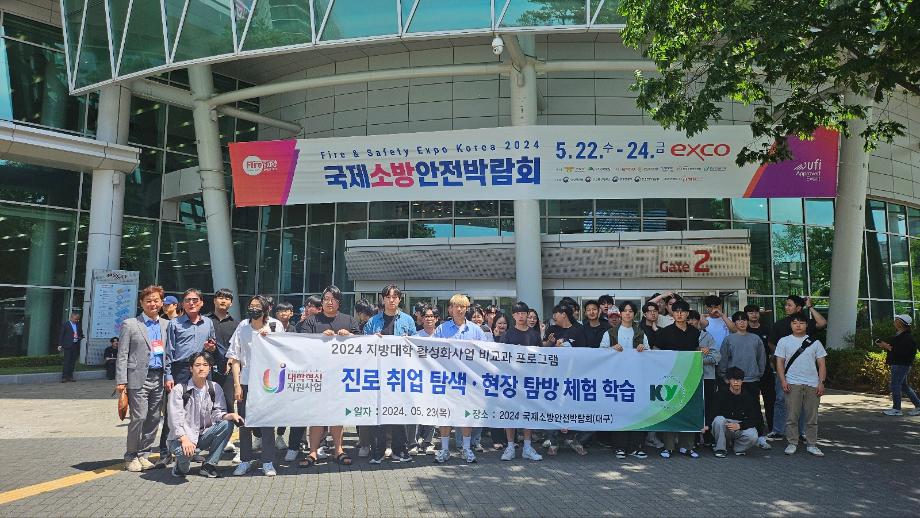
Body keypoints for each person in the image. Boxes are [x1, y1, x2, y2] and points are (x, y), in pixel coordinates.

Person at [298, 285, 359, 468]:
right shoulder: (311, 321)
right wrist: (319, 338)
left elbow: (363, 343)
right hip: (317, 376)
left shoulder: (349, 320)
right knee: (317, 415)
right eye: (326, 299)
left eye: (333, 299)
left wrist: (350, 335)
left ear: (339, 302)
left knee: (337, 414)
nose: (329, 302)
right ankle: (313, 451)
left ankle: (338, 450)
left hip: (341, 377)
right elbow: (301, 343)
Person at [158, 288, 217, 467]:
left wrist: (211, 348)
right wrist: (168, 375)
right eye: (188, 300)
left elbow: (212, 346)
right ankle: (165, 451)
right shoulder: (174, 324)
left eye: (195, 300)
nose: (191, 303)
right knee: (173, 410)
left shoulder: (208, 323)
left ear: (201, 303)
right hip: (181, 370)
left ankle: (193, 449)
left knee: (198, 410)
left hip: (202, 369)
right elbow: (168, 351)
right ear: (182, 304)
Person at [115, 285, 169, 472]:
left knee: (154, 418)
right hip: (138, 378)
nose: (153, 304)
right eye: (148, 301)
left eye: (156, 300)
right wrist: (121, 381)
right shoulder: (130, 324)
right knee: (139, 417)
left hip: (159, 377)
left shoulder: (166, 325)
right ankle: (130, 456)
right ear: (141, 303)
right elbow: (122, 354)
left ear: (161, 303)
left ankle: (143, 454)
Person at [227, 295, 282, 476]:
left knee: (267, 423)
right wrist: (237, 384)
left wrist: (271, 339)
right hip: (246, 381)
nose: (254, 309)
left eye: (258, 306)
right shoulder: (243, 326)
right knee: (244, 423)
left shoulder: (275, 325)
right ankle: (245, 460)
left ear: (266, 309)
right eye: (252, 306)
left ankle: (268, 461)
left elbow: (284, 352)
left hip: (268, 382)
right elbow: (235, 358)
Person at [167, 351, 243, 478]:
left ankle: (208, 465)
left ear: (210, 368)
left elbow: (218, 413)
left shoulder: (215, 387)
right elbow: (175, 421)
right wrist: (184, 440)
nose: (201, 368)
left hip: (203, 436)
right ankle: (181, 467)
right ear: (191, 368)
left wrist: (230, 416)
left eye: (205, 365)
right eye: (197, 365)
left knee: (227, 424)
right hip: (182, 439)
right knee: (183, 455)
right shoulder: (179, 390)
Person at [362, 285, 416, 464]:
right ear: (383, 299)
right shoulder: (373, 321)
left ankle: (400, 450)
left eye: (395, 297)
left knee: (399, 413)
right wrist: (372, 339)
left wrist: (409, 340)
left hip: (399, 374)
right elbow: (363, 344)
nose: (391, 300)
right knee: (379, 413)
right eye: (388, 297)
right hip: (378, 373)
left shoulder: (407, 320)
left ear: (399, 299)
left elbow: (417, 345)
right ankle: (377, 451)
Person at [433, 293, 490, 463]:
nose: (459, 309)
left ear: (466, 309)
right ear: (450, 309)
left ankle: (466, 449)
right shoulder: (441, 329)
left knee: (467, 414)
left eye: (463, 306)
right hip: (447, 380)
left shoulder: (475, 330)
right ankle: (444, 450)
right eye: (456, 306)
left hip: (468, 381)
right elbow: (432, 351)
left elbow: (486, 352)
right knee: (445, 415)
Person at [767, 295, 826, 441]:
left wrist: (810, 306)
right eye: (786, 305)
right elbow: (771, 343)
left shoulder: (807, 323)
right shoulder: (779, 325)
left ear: (799, 308)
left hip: (806, 374)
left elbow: (822, 323)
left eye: (789, 305)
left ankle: (801, 432)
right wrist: (780, 356)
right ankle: (778, 430)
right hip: (785, 371)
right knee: (781, 399)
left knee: (802, 403)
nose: (786, 307)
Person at [600, 301, 650, 459]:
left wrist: (643, 348)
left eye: (630, 311)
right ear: (620, 313)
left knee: (637, 412)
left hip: (637, 378)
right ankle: (619, 447)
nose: (627, 313)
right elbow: (600, 353)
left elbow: (650, 354)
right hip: (617, 378)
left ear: (634, 314)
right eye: (625, 311)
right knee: (619, 412)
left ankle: (635, 447)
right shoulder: (610, 333)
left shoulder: (640, 332)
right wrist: (611, 349)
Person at [496, 302, 543, 462]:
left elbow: (540, 357)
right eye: (518, 313)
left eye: (524, 313)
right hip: (511, 380)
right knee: (510, 413)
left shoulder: (534, 335)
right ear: (514, 316)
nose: (521, 316)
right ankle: (510, 446)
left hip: (529, 380)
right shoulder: (507, 335)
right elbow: (502, 357)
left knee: (528, 412)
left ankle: (527, 447)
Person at [775, 312, 827, 456]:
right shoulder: (784, 341)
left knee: (812, 417)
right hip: (792, 383)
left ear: (806, 325)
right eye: (795, 323)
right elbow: (779, 362)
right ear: (790, 325)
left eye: (801, 323)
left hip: (812, 384)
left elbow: (822, 365)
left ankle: (812, 444)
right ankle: (792, 443)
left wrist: (821, 383)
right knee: (792, 416)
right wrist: (783, 380)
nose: (798, 325)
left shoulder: (815, 342)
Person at [655, 300, 702, 458]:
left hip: (690, 376)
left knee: (688, 410)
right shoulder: (665, 332)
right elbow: (655, 351)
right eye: (676, 311)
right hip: (670, 377)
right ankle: (668, 447)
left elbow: (697, 350)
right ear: (672, 314)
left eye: (683, 311)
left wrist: (702, 351)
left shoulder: (695, 332)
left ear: (688, 313)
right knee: (670, 410)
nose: (680, 314)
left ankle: (687, 446)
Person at [718, 312, 770, 450]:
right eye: (739, 320)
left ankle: (760, 436)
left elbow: (762, 358)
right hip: (733, 380)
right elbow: (723, 359)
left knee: (755, 408)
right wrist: (725, 376)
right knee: (731, 407)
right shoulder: (729, 339)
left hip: (752, 379)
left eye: (744, 320)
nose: (742, 323)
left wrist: (759, 373)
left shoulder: (755, 338)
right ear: (734, 323)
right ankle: (731, 435)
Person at [687, 310, 720, 447]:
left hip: (707, 377)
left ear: (698, 321)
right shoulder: (683, 337)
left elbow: (716, 357)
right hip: (689, 377)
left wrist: (698, 359)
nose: (691, 322)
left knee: (708, 407)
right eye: (688, 319)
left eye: (693, 319)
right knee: (692, 407)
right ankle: (693, 439)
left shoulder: (707, 336)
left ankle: (708, 437)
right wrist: (698, 353)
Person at [712, 367, 761, 457]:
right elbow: (713, 413)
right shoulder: (720, 394)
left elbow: (755, 418)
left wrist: (740, 425)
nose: (736, 382)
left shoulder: (749, 397)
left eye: (738, 380)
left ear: (742, 381)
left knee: (753, 436)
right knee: (718, 420)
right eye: (733, 380)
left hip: (740, 425)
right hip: (725, 425)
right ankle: (720, 448)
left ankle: (738, 448)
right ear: (728, 381)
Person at [877, 314, 920, 416]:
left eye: (896, 320)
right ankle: (918, 405)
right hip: (899, 363)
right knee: (904, 386)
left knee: (895, 385)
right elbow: (897, 348)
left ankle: (897, 409)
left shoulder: (907, 337)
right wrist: (886, 346)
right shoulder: (900, 335)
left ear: (901, 323)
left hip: (901, 364)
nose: (894, 322)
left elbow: (904, 352)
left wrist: (888, 347)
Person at [411, 305, 440, 455]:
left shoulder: (441, 336)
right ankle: (414, 443)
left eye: (431, 316)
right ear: (422, 319)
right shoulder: (416, 336)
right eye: (426, 316)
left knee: (432, 411)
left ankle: (428, 442)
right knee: (417, 410)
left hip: (435, 379)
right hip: (419, 378)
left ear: (436, 319)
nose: (429, 319)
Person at [745, 304, 776, 434]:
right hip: (749, 371)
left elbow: (773, 348)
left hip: (766, 370)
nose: (754, 314)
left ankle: (773, 428)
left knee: (770, 400)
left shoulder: (766, 328)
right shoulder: (744, 330)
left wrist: (773, 361)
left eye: (756, 312)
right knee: (753, 401)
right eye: (751, 312)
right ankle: (757, 427)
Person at [57, 311, 83, 382]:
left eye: (78, 319)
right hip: (68, 345)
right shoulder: (66, 324)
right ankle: (64, 377)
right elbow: (61, 335)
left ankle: (70, 376)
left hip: (75, 345)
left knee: (73, 361)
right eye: (75, 319)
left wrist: (79, 337)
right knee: (67, 361)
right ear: (71, 317)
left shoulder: (78, 325)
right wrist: (60, 344)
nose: (76, 320)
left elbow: (81, 334)